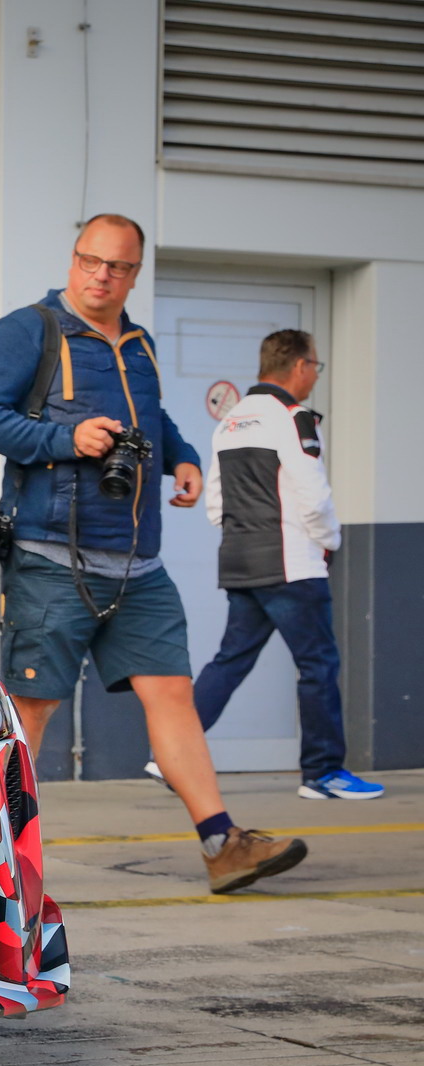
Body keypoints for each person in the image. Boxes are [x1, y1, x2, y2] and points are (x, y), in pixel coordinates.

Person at [0, 213, 307, 893]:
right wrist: (67, 437)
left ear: (134, 273)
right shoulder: (30, 330)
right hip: (52, 557)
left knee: (173, 694)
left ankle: (222, 844)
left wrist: (182, 458)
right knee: (32, 712)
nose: (101, 276)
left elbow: (155, 418)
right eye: (91, 260)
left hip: (139, 564)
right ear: (73, 260)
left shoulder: (139, 343)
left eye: (117, 267)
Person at [195, 331, 379, 800]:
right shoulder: (294, 418)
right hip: (293, 564)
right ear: (299, 366)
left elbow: (215, 501)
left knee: (231, 659)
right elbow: (312, 493)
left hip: (240, 558)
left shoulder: (231, 421)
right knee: (318, 665)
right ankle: (323, 774)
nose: (316, 374)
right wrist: (329, 543)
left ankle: (172, 752)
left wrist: (240, 536)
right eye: (315, 365)